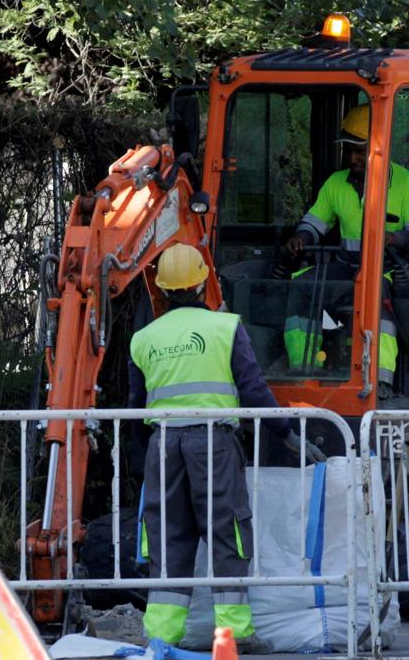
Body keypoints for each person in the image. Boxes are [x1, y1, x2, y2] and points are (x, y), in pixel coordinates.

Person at [128, 243, 325, 652]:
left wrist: (139, 458)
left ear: (161, 290)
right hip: (212, 444)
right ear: (202, 283)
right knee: (227, 533)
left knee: (167, 538)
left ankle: (161, 637)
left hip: (162, 446)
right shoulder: (225, 327)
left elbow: (133, 409)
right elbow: (254, 388)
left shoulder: (143, 338)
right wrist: (285, 433)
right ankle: (233, 636)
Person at [280, 104, 409, 398]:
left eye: (360, 150)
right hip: (345, 267)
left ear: (379, 148)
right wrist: (300, 237)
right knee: (300, 288)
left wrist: (393, 238)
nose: (353, 158)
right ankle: (303, 369)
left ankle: (380, 379)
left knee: (377, 297)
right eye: (349, 150)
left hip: (387, 269)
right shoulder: (336, 184)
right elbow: (315, 222)